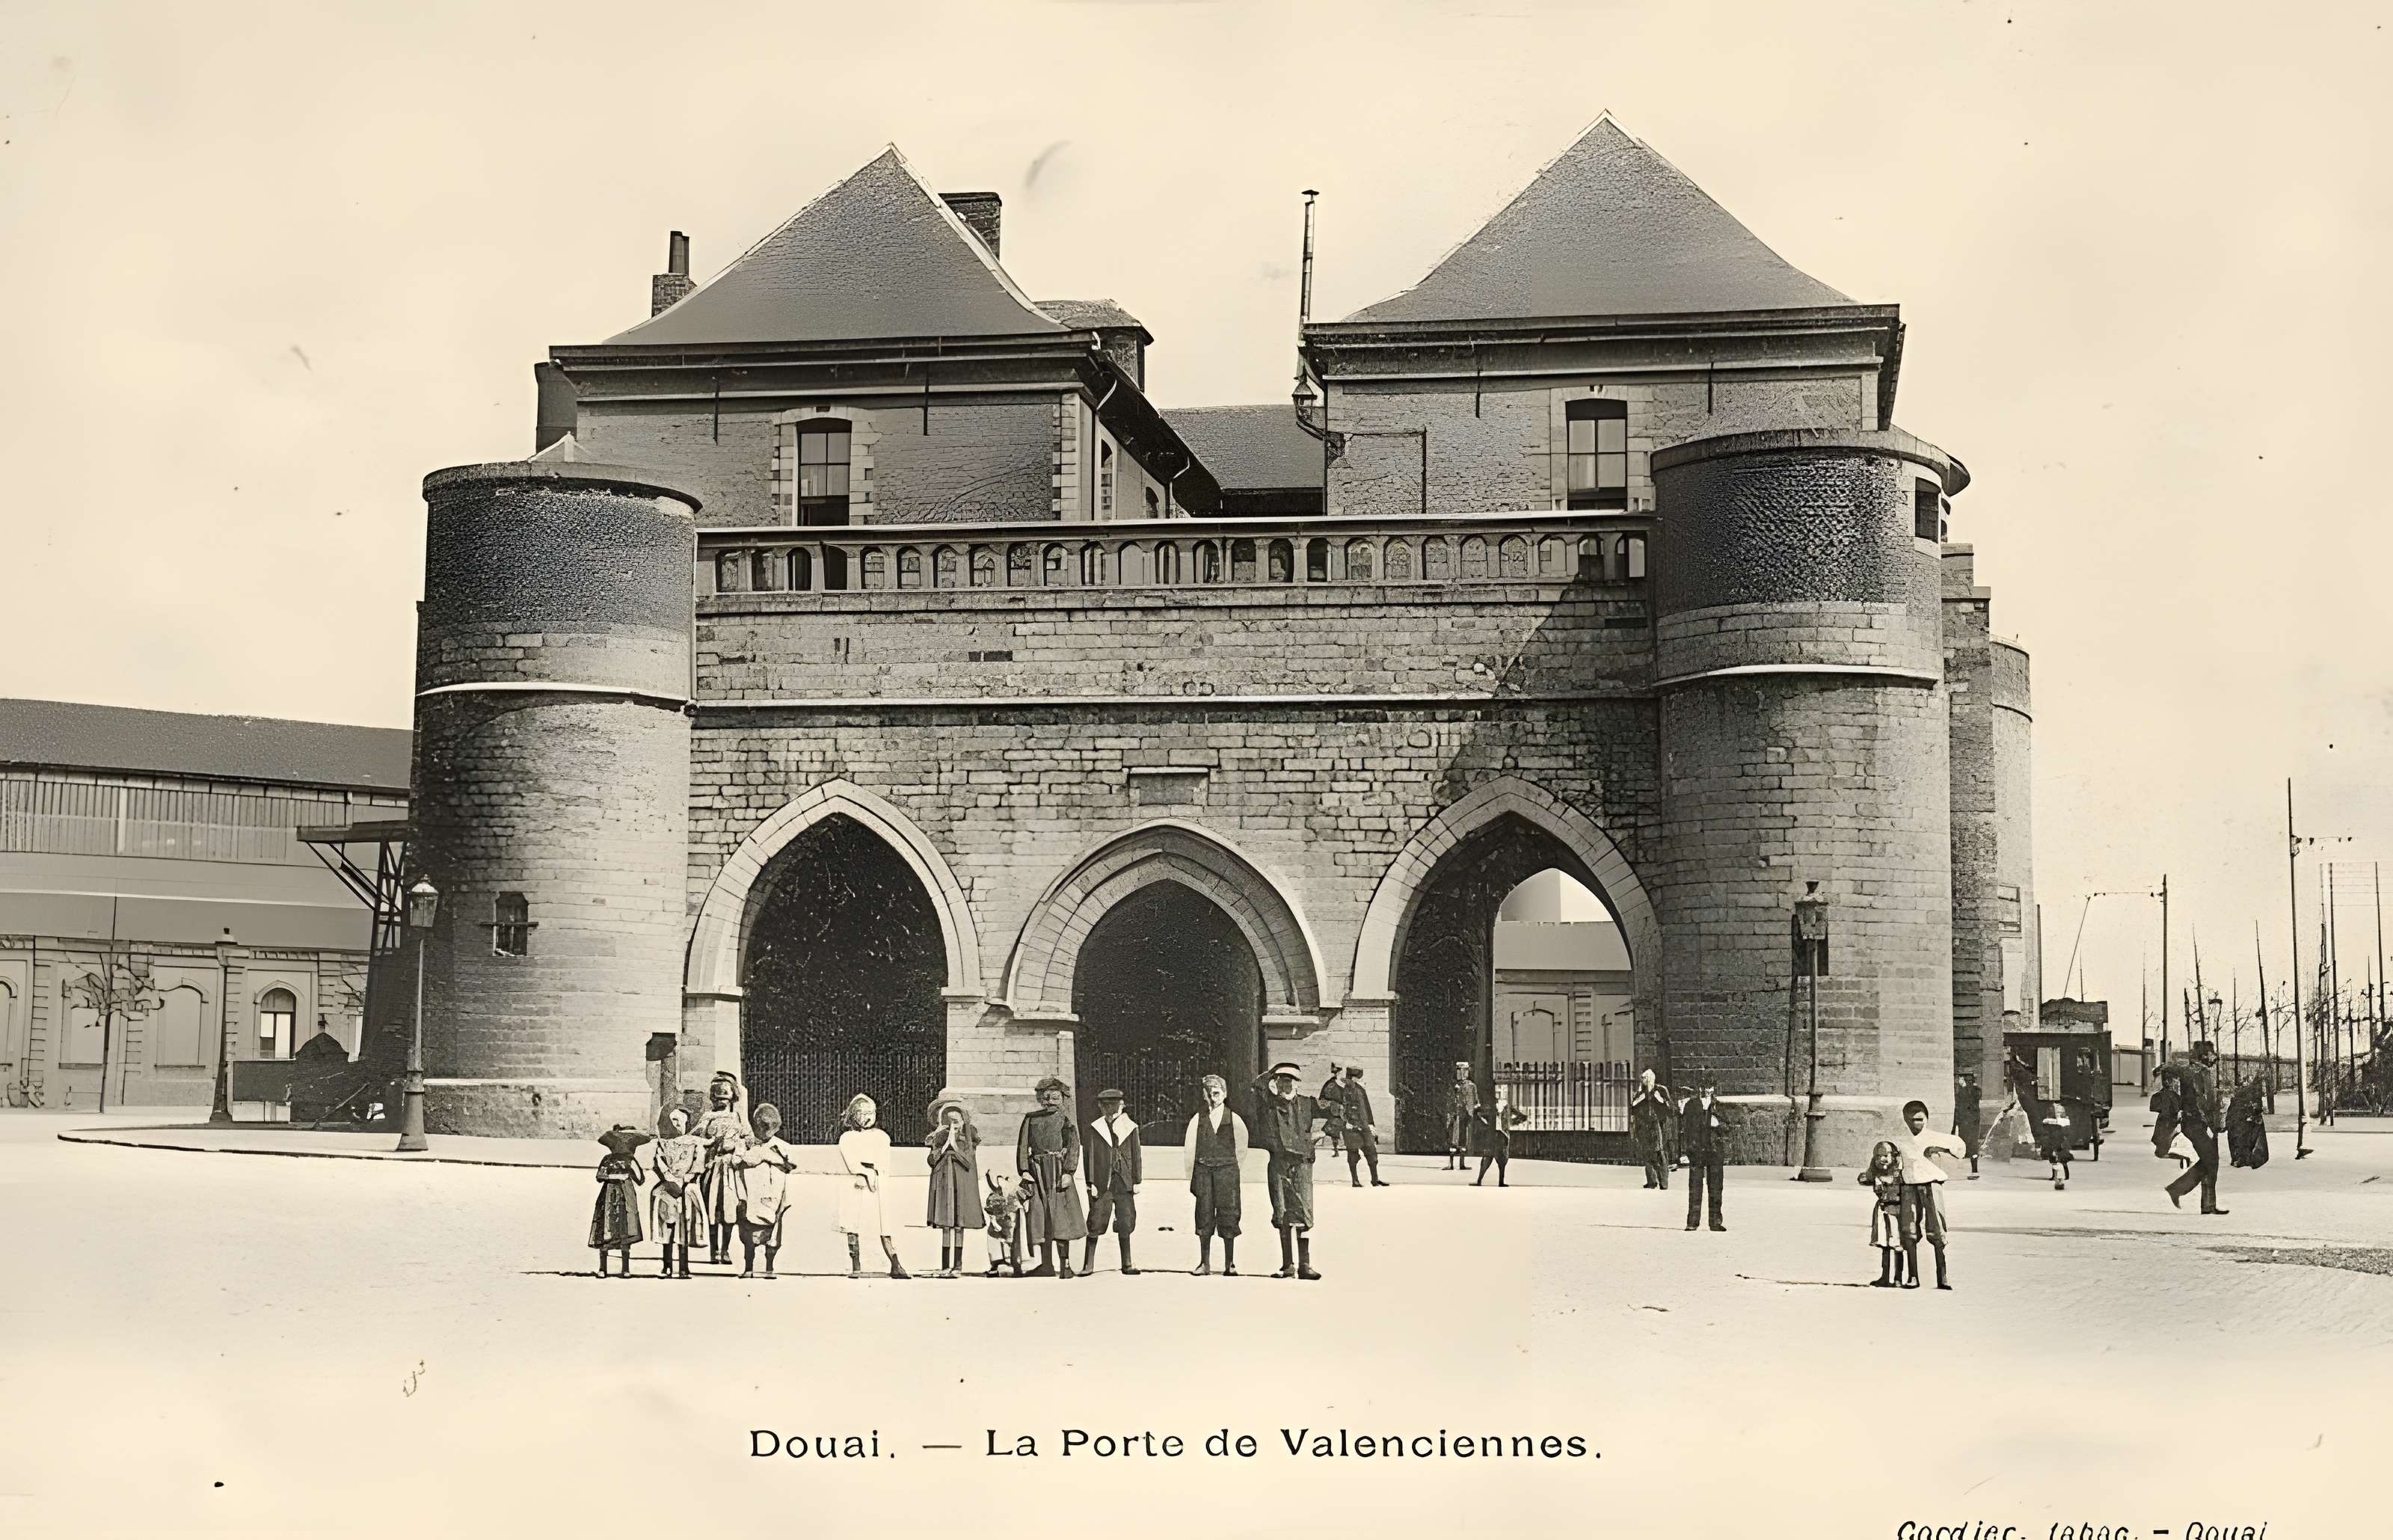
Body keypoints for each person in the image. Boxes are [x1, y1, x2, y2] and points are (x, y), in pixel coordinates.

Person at [1250, 1062, 1326, 1281]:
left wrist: (1322, 1134)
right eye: (1281, 1080)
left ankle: (1305, 1265)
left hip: (1302, 1163)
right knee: (1282, 1211)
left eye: (1290, 1080)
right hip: (1279, 1162)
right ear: (1276, 1082)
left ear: (1297, 1084)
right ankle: (1287, 1265)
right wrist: (1274, 1071)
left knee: (1303, 1212)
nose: (1286, 1084)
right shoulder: (1268, 1104)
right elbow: (1257, 1086)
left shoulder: (1307, 1104)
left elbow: (1341, 1110)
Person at [1016, 1077, 1087, 1278]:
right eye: (1045, 1097)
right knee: (1041, 1216)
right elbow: (1023, 1146)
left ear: (1062, 1098)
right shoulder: (1031, 1118)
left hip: (1058, 1171)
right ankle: (1046, 1264)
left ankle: (1065, 1265)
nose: (1049, 1101)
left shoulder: (1066, 1120)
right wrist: (1024, 1170)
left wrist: (1069, 1172)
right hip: (1038, 1173)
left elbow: (1074, 1146)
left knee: (1061, 1217)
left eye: (1054, 1097)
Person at [1892, 1099, 1967, 1290]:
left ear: (1927, 1119)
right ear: (1905, 1120)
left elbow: (1960, 1148)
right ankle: (1913, 1276)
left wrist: (1940, 1149)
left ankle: (1943, 1276)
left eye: (1920, 1119)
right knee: (1909, 1230)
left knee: (1937, 1227)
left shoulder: (1936, 1137)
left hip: (1932, 1184)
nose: (1916, 1124)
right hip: (1909, 1186)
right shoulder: (1901, 1141)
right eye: (1912, 1120)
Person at [836, 1094, 909, 1278]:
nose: (867, 1116)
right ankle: (856, 1264)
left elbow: (883, 1162)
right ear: (853, 1115)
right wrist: (866, 1172)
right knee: (854, 1223)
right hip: (856, 1184)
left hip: (878, 1185)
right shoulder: (847, 1138)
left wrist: (873, 1172)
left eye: (871, 1112)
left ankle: (895, 1263)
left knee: (885, 1224)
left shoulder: (882, 1137)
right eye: (862, 1113)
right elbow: (852, 1164)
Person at [1185, 1074, 1247, 1276]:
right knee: (1204, 1215)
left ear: (1225, 1094)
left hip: (1227, 1173)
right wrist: (1194, 1175)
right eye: (1209, 1094)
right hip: (1204, 1172)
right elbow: (1190, 1149)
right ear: (1204, 1095)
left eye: (1217, 1093)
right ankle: (1205, 1263)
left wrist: (1229, 1167)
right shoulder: (1198, 1119)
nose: (1213, 1098)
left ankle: (1230, 1263)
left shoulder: (1233, 1118)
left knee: (1229, 1215)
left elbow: (1241, 1148)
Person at [1080, 1088, 1143, 1277]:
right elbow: (1089, 1157)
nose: (1111, 1110)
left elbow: (1136, 1155)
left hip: (1124, 1181)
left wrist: (1137, 1180)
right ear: (1100, 1107)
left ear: (1122, 1106)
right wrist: (1090, 1182)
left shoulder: (1130, 1127)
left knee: (1125, 1219)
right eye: (1106, 1106)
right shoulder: (1095, 1128)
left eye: (1115, 1105)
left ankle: (1127, 1263)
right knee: (1096, 1219)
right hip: (1102, 1182)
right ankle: (1088, 1265)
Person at [735, 1102, 800, 1279]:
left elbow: (791, 1164)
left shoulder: (782, 1146)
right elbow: (737, 1161)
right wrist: (759, 1154)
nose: (765, 1132)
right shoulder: (746, 1144)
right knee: (748, 1231)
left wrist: (774, 1158)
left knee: (773, 1231)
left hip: (775, 1194)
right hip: (751, 1193)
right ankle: (749, 1268)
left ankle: (769, 1268)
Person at [2165, 1041, 2229, 1216]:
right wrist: (2215, 1121)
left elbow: (2169, 1068)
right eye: (2212, 1054)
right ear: (2205, 1056)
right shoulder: (2202, 1072)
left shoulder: (2189, 1070)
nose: (2214, 1058)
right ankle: (2178, 1190)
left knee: (2210, 1161)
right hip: (2198, 1124)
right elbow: (2206, 1101)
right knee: (2211, 1161)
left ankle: (2207, 1205)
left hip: (2192, 1122)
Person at [694, 1071, 749, 1267]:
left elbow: (747, 1139)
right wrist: (708, 1143)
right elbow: (695, 1139)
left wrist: (738, 1149)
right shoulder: (707, 1117)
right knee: (711, 1211)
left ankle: (725, 1249)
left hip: (730, 1170)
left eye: (725, 1097)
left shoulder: (737, 1117)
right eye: (718, 1097)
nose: (721, 1102)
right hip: (712, 1168)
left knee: (729, 1210)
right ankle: (713, 1250)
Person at [924, 1094, 981, 1279]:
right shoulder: (939, 1137)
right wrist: (939, 1144)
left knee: (958, 1225)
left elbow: (968, 1160)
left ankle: (957, 1265)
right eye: (949, 1122)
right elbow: (932, 1160)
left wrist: (954, 1143)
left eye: (956, 1121)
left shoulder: (968, 1136)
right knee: (945, 1224)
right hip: (943, 1182)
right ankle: (944, 1265)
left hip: (961, 1181)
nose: (952, 1125)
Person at [648, 1105, 707, 1279]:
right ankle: (667, 1266)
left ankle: (683, 1268)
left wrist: (686, 1180)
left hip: (687, 1189)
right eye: (673, 1120)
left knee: (684, 1229)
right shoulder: (663, 1144)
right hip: (668, 1189)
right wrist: (669, 1179)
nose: (677, 1124)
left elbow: (698, 1164)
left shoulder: (695, 1143)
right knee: (668, 1228)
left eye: (680, 1120)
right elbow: (658, 1163)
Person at [589, 1124, 648, 1278]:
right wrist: (616, 1177)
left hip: (626, 1197)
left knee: (625, 1231)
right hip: (609, 1196)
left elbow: (641, 1179)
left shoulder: (630, 1161)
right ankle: (603, 1268)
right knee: (606, 1230)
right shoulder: (607, 1160)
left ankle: (625, 1269)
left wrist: (631, 1168)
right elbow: (599, 1176)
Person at [1679, 1076, 1730, 1232]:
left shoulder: (1719, 1106)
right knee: (1695, 1187)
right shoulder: (1691, 1105)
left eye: (1710, 1088)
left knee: (1716, 1187)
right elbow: (1685, 1129)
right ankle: (1692, 1222)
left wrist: (1718, 1123)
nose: (1708, 1091)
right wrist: (1686, 1150)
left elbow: (1728, 1128)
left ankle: (1715, 1222)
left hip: (1715, 1151)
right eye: (1705, 1088)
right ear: (1699, 1089)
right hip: (1697, 1150)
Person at [1857, 1139, 1909, 1287]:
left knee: (1897, 1245)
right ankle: (1885, 1276)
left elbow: (1898, 1182)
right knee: (1884, 1245)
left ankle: (1898, 1278)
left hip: (1896, 1210)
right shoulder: (1877, 1172)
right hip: (1882, 1210)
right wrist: (1874, 1175)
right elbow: (1863, 1179)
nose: (1882, 1159)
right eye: (1878, 1156)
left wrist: (1884, 1179)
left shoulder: (1900, 1173)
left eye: (1885, 1155)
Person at [1340, 1066, 1389, 1187]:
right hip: (1352, 1127)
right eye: (1359, 1077)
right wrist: (1351, 1123)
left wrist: (1370, 1124)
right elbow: (1346, 1109)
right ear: (1354, 1078)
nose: (1362, 1080)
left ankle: (1375, 1179)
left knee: (1371, 1151)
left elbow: (1365, 1109)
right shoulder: (1347, 1090)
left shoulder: (1360, 1089)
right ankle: (1355, 1180)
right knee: (1353, 1153)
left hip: (1364, 1126)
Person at [1471, 1088, 1529, 1187]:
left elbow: (1523, 1117)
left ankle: (1492, 1181)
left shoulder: (1505, 1108)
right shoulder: (1493, 1108)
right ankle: (1485, 1181)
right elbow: (1477, 1114)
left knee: (1496, 1158)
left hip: (1501, 1135)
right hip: (1496, 1135)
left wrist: (1509, 1123)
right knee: (1489, 1158)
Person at [1629, 1068, 1674, 1190]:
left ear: (1649, 1078)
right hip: (1645, 1126)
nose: (1642, 1080)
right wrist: (1639, 1098)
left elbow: (1670, 1107)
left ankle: (1663, 1182)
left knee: (1659, 1152)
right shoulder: (1641, 1092)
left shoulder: (1660, 1090)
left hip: (1658, 1125)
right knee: (1647, 1152)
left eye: (1644, 1078)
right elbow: (1633, 1107)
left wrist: (1660, 1100)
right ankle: (1652, 1181)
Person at [2225, 1074, 2270, 1170]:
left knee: (2245, 1139)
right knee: (2244, 1139)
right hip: (2240, 1121)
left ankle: (2243, 1159)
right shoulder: (2248, 1092)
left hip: (2241, 1121)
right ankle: (2244, 1159)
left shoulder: (2245, 1092)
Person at [2032, 1094, 2074, 1190]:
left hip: (2058, 1140)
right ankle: (2061, 1175)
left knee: (2059, 1159)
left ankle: (2061, 1175)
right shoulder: (2057, 1110)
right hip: (2057, 1139)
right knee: (2057, 1160)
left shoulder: (2053, 1110)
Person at [1444, 1062, 1475, 1171]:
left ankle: (1462, 1164)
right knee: (1454, 1140)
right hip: (1456, 1117)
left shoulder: (1471, 1086)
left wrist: (1471, 1111)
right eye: (1460, 1071)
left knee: (1463, 1140)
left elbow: (1476, 1102)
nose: (1462, 1073)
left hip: (1465, 1117)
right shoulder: (1454, 1086)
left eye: (1464, 1071)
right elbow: (1450, 1102)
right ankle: (1452, 1164)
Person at [1953, 1071, 1982, 1180]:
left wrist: (1955, 1123)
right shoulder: (1976, 1091)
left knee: (1963, 1146)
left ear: (1965, 1080)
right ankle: (1974, 1170)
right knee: (1973, 1147)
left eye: (1961, 1078)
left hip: (1964, 1122)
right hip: (1974, 1122)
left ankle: (1964, 1171)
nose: (1959, 1080)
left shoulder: (1962, 1092)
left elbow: (1959, 1108)